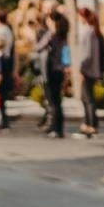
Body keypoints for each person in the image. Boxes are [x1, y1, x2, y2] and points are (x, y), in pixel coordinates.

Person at [33, 9, 69, 139]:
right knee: (56, 101)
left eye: (48, 20)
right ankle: (58, 128)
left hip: (51, 70)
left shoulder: (51, 35)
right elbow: (66, 54)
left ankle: (55, 128)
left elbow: (38, 47)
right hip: (58, 70)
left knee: (53, 101)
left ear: (53, 21)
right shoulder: (62, 35)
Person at [73, 7, 104, 139]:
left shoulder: (88, 32)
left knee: (88, 98)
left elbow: (86, 54)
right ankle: (89, 124)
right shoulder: (93, 31)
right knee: (86, 97)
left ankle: (91, 125)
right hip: (92, 69)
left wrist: (81, 70)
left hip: (87, 70)